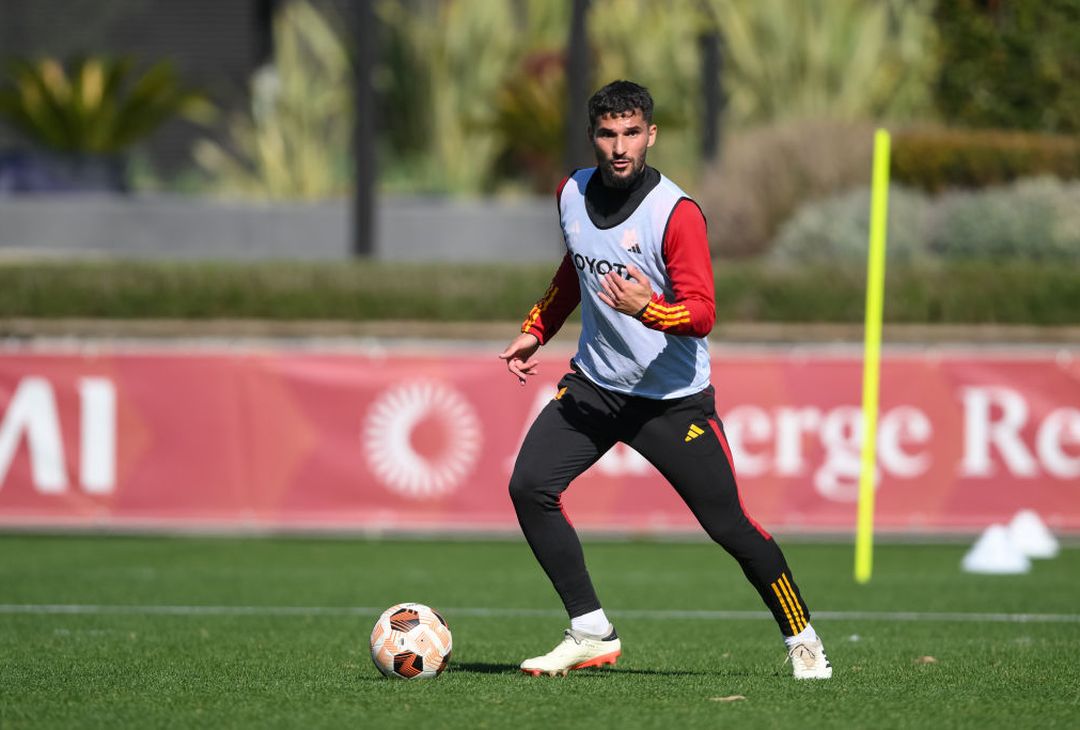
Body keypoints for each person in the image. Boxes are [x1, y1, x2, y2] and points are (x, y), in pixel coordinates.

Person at [498, 80, 831, 680]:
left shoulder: (675, 214)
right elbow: (574, 271)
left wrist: (645, 309)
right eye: (607, 134)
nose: (619, 146)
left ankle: (802, 636)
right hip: (596, 388)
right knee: (529, 487)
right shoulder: (570, 192)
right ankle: (589, 630)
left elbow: (702, 312)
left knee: (731, 527)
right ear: (592, 137)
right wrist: (536, 328)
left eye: (631, 133)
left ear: (651, 135)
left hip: (671, 405)